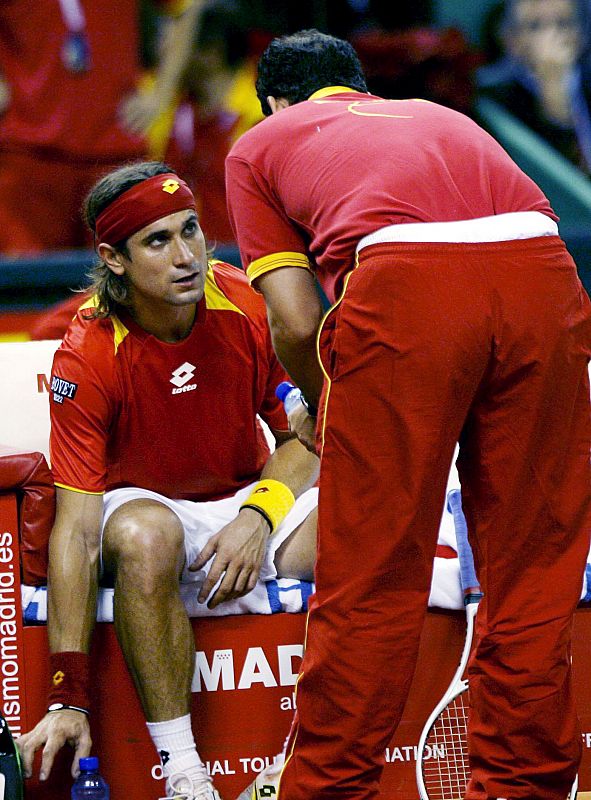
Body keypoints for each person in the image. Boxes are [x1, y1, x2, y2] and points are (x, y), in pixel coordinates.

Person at [225, 29, 591, 800]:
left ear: (275, 103)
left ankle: (326, 791)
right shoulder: (439, 113)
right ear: (360, 87)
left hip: (409, 289)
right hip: (545, 279)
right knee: (532, 573)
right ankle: (524, 790)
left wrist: (320, 404)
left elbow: (293, 322)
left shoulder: (260, 143)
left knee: (371, 577)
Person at [16, 161, 319, 800]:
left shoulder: (240, 298)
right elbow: (75, 531)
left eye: (191, 231)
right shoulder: (88, 351)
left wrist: (257, 516)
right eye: (158, 241)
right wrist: (67, 693)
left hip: (245, 504)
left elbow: (305, 437)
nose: (185, 256)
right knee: (144, 532)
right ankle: (185, 774)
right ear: (114, 258)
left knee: (361, 526)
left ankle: (319, 749)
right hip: (148, 513)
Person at [0, 0, 201, 253]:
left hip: (116, 156)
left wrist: (161, 93)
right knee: (28, 284)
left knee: (127, 282)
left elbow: (188, 7)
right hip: (29, 156)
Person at [477, 0, 591, 173]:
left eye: (563, 23)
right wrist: (552, 86)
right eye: (535, 26)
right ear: (512, 39)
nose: (552, 35)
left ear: (580, 34)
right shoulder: (494, 99)